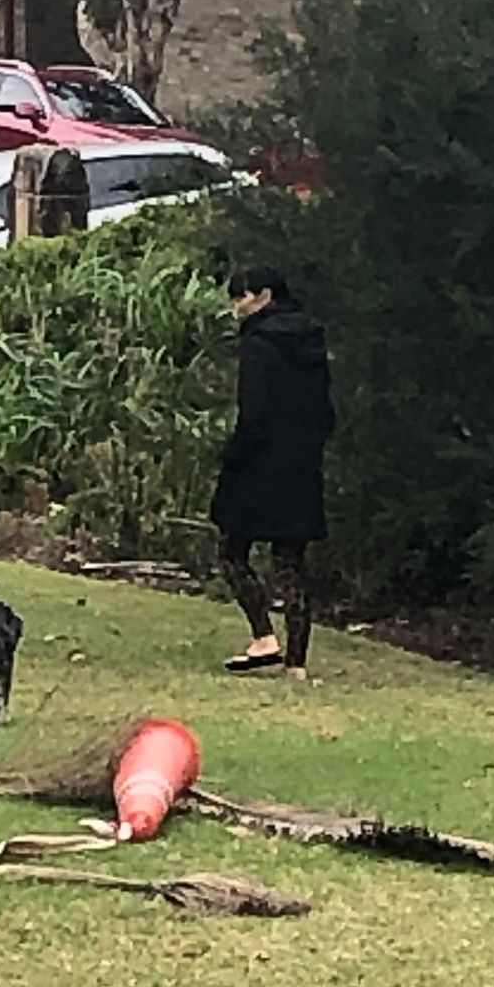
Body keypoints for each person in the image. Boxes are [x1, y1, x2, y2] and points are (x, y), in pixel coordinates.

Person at [211, 266, 335, 680]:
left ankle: (264, 636)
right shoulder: (313, 342)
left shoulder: (259, 346)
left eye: (240, 298)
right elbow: (325, 412)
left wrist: (233, 457)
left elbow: (254, 411)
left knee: (232, 552)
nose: (236, 308)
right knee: (291, 563)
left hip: (259, 463)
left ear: (262, 296)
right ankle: (296, 662)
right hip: (301, 464)